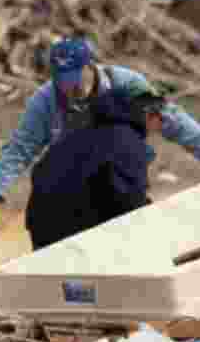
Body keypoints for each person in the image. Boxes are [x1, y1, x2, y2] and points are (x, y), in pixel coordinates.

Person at [0, 37, 200, 232]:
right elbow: (21, 148)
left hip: (117, 179)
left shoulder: (126, 84)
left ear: (89, 66)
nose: (67, 87)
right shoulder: (45, 100)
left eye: (73, 78)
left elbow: (174, 121)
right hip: (71, 186)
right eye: (60, 79)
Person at [24, 88, 167, 250]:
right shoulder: (126, 141)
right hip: (75, 238)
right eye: (161, 119)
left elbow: (40, 173)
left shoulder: (75, 134)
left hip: (40, 231)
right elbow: (128, 200)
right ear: (149, 115)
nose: (160, 126)